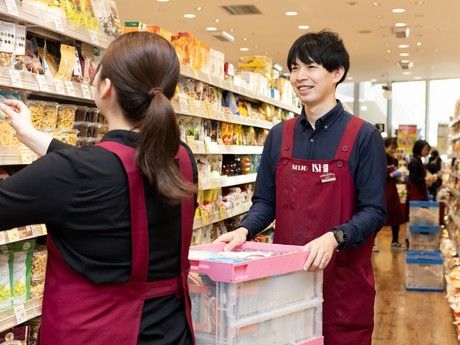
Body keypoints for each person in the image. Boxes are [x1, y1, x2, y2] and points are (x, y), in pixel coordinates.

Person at [0, 32, 197, 345]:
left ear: (105, 87)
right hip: (171, 332)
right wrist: (30, 134)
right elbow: (107, 168)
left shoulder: (75, 173)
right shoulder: (181, 157)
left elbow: (88, 171)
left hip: (97, 334)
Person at [215, 30, 386, 345]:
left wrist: (336, 237)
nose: (300, 77)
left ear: (337, 73)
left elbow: (375, 211)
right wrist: (244, 231)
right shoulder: (280, 136)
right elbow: (266, 201)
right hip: (287, 283)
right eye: (294, 68)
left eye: (311, 67)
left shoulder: (363, 136)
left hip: (342, 284)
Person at [384, 137, 406, 248]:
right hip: (383, 190)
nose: (393, 150)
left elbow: (395, 175)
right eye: (391, 148)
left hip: (393, 190)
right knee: (379, 217)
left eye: (394, 148)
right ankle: (372, 243)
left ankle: (395, 241)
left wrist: (400, 175)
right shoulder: (379, 158)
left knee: (396, 215)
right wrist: (390, 174)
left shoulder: (394, 160)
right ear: (385, 146)